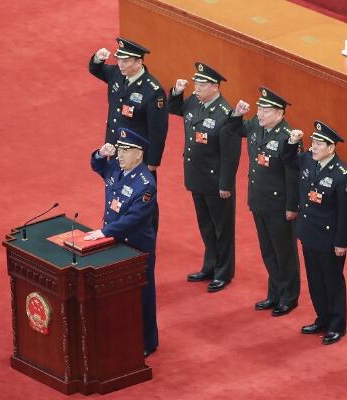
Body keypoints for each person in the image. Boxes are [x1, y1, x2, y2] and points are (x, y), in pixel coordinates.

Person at [225, 88, 300, 316]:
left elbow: (293, 176)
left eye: (265, 110)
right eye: (259, 109)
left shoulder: (288, 137)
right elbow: (235, 129)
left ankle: (289, 297)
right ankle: (274, 293)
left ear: (279, 113)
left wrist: (292, 207)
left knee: (284, 252)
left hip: (279, 205)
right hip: (259, 199)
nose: (260, 113)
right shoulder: (257, 126)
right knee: (268, 250)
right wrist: (237, 114)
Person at [167, 62, 241, 293]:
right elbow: (175, 109)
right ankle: (210, 265)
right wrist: (177, 93)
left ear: (215, 87)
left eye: (201, 84)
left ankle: (224, 272)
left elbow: (231, 155)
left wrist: (226, 184)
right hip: (196, 175)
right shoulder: (194, 102)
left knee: (222, 229)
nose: (196, 88)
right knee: (206, 226)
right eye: (196, 83)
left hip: (216, 181)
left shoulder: (225, 114)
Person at [86, 128, 158, 357]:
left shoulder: (146, 184)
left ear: (138, 154)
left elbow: (134, 218)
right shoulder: (117, 167)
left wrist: (104, 232)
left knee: (142, 295)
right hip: (115, 241)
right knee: (117, 292)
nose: (120, 155)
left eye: (125, 151)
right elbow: (98, 166)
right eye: (120, 149)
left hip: (136, 246)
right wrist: (100, 153)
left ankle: (148, 341)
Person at [286, 122, 347, 345]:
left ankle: (337, 325)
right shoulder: (309, 159)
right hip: (308, 232)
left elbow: (346, 214)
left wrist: (341, 242)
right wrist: (292, 143)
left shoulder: (342, 175)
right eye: (313, 142)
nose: (313, 147)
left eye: (318, 144)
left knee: (332, 281)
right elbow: (288, 161)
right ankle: (322, 318)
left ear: (331, 147)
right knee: (315, 279)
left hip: (329, 238)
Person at [89, 37, 168, 233]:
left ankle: (148, 233)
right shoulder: (117, 74)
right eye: (119, 59)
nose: (121, 64)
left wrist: (153, 161)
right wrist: (97, 58)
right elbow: (96, 69)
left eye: (126, 61)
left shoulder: (153, 91)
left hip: (137, 155)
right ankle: (116, 228)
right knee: (117, 190)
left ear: (139, 62)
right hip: (116, 149)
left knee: (143, 196)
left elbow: (158, 130)